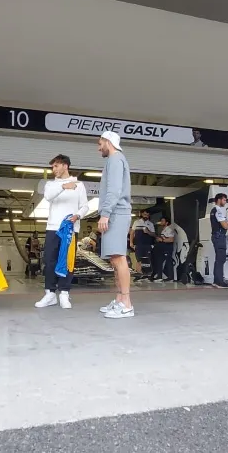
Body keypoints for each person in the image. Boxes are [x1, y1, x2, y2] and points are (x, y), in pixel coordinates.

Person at [36, 154, 89, 309]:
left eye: (56, 166)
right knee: (50, 260)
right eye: (52, 167)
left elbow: (85, 206)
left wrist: (78, 215)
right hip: (53, 227)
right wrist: (64, 186)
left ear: (65, 166)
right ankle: (50, 294)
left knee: (67, 261)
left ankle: (64, 293)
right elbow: (48, 196)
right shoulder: (51, 185)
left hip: (70, 229)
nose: (54, 169)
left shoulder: (79, 185)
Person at [96, 131, 134, 319]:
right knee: (114, 259)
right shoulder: (113, 160)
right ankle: (120, 299)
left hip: (117, 213)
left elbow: (114, 189)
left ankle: (126, 304)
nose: (98, 147)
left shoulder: (115, 159)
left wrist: (105, 214)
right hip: (115, 213)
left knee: (119, 258)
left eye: (100, 143)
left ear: (108, 142)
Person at [209, 194, 228, 288]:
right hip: (219, 236)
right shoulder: (218, 210)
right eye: (224, 200)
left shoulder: (213, 210)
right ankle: (219, 282)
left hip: (216, 236)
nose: (225, 202)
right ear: (219, 200)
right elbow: (224, 226)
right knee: (221, 259)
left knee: (218, 259)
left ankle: (217, 280)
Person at [130, 210, 155, 281]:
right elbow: (132, 233)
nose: (145, 216)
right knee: (139, 259)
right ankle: (138, 274)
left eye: (147, 215)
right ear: (141, 214)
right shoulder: (136, 222)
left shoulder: (150, 224)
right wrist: (131, 242)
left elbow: (153, 234)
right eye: (144, 214)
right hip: (138, 244)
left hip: (147, 244)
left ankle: (147, 275)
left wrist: (148, 232)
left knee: (147, 259)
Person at [151, 216, 175, 282]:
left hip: (167, 247)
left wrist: (161, 240)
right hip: (161, 248)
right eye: (161, 221)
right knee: (159, 261)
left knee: (168, 261)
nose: (161, 222)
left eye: (163, 221)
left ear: (166, 222)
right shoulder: (163, 229)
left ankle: (170, 277)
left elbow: (171, 239)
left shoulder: (169, 229)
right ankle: (159, 276)